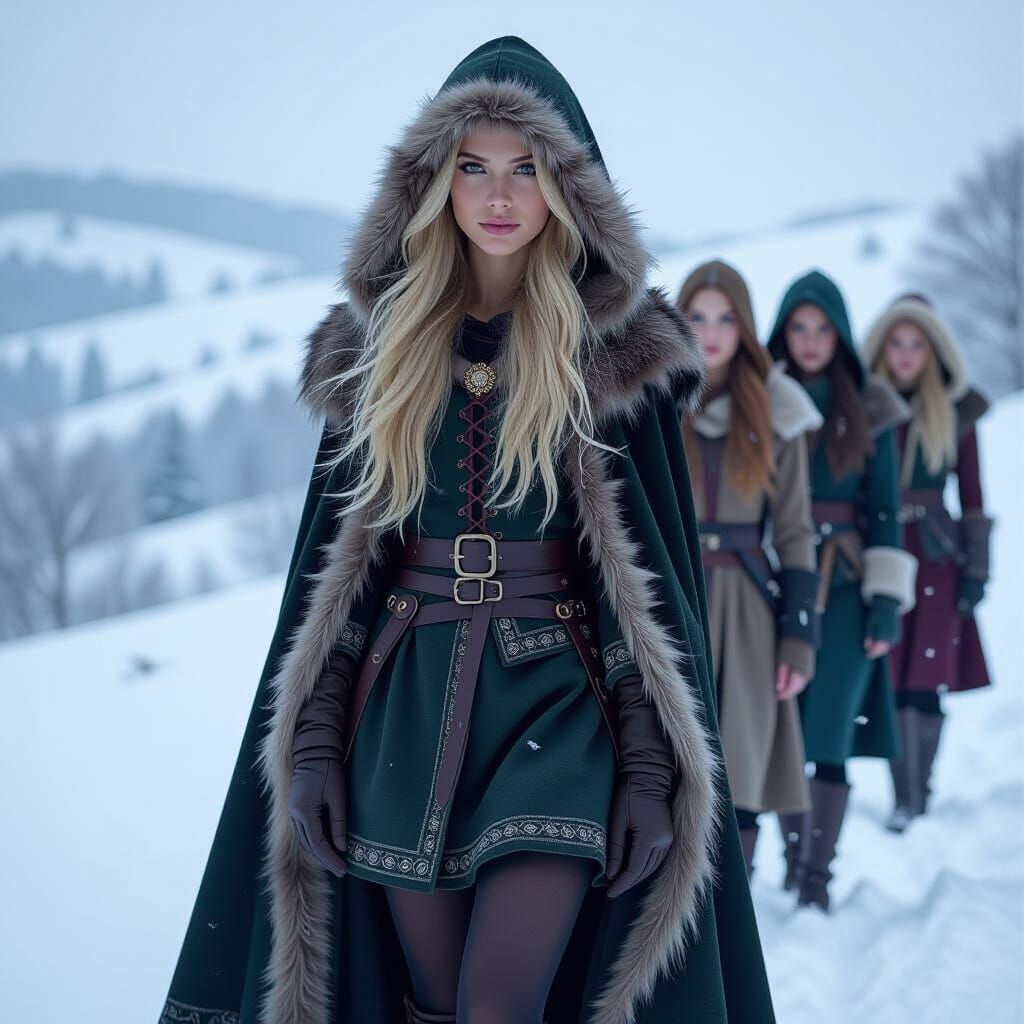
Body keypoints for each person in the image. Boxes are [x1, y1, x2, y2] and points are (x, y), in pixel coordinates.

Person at [159, 37, 775, 1024]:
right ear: (433, 184)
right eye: (473, 166)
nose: (499, 194)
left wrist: (652, 769)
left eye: (527, 169)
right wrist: (313, 744)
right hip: (402, 710)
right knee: (436, 1005)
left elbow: (639, 589)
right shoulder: (374, 359)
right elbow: (340, 582)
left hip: (560, 706)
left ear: (569, 190)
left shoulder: (614, 357)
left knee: (498, 1005)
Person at [766, 269, 917, 912]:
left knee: (829, 733)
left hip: (852, 589)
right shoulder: (764, 397)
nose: (809, 340)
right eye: (798, 327)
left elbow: (885, 510)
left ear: (841, 334)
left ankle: (816, 878)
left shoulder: (871, 405)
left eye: (821, 328)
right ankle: (788, 860)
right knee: (784, 734)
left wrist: (886, 604)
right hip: (780, 579)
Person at [676, 259, 822, 879]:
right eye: (698, 317)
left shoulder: (775, 413)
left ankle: (737, 916)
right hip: (673, 598)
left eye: (726, 319)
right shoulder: (650, 401)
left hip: (750, 609)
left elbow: (794, 533)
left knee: (741, 765)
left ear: (745, 327)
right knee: (669, 768)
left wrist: (799, 638)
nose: (711, 332)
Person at [862, 293, 993, 832]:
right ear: (884, 348)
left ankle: (921, 793)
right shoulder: (867, 405)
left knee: (926, 679)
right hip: (887, 552)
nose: (908, 354)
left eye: (918, 344)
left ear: (934, 349)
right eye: (898, 343)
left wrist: (978, 570)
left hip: (938, 556)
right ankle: (901, 798)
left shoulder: (957, 411)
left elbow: (975, 496)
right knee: (890, 676)